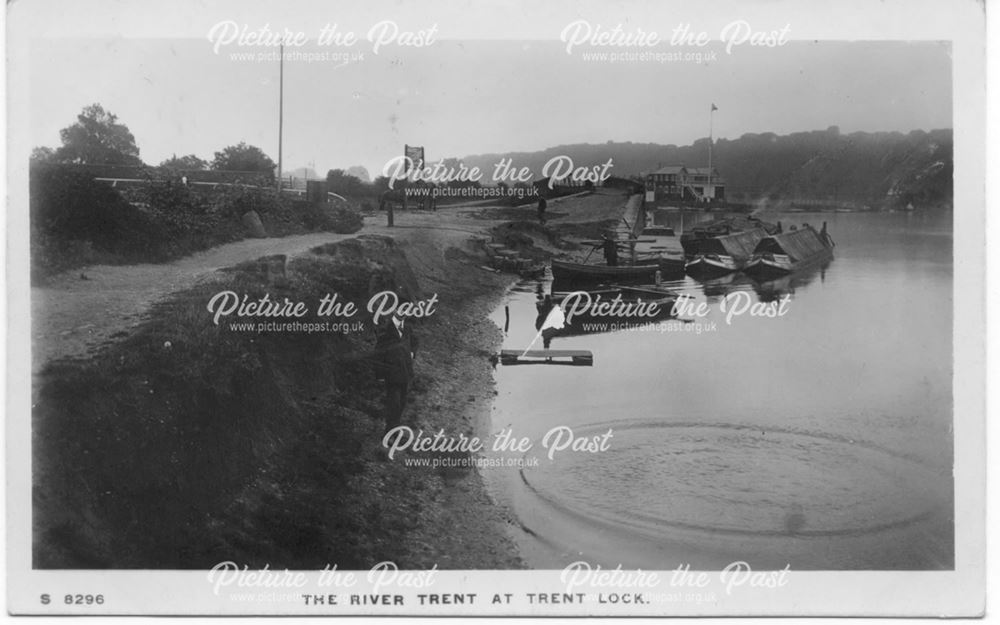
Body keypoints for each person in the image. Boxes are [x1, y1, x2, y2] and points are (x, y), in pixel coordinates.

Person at [372, 289, 418, 435]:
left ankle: (394, 429)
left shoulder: (407, 329)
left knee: (402, 403)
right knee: (394, 403)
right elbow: (378, 352)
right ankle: (390, 432)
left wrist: (412, 353)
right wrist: (379, 374)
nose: (404, 312)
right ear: (395, 310)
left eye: (407, 310)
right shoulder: (386, 329)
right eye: (401, 309)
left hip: (405, 371)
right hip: (391, 373)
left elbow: (415, 342)